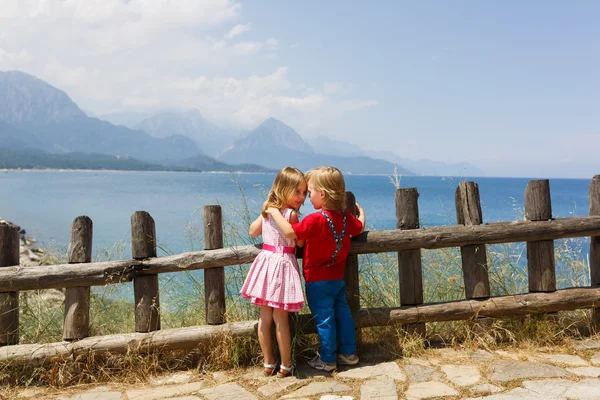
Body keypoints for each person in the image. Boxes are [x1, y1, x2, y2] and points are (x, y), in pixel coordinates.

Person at [266, 166, 366, 372]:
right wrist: (361, 212)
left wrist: (274, 212)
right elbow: (360, 227)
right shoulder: (346, 218)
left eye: (309, 192)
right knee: (343, 314)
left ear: (322, 194)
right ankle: (349, 353)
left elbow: (290, 232)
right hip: (337, 279)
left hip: (317, 282)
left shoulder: (314, 219)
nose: (307, 197)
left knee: (325, 320)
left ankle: (328, 359)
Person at [240, 166, 307, 378]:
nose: (301, 197)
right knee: (280, 320)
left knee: (265, 319)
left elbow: (253, 231)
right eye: (297, 192)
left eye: (304, 192)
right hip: (283, 267)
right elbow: (301, 241)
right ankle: (285, 365)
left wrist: (269, 210)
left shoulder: (269, 211)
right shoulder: (291, 215)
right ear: (283, 189)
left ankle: (268, 362)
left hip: (265, 265)